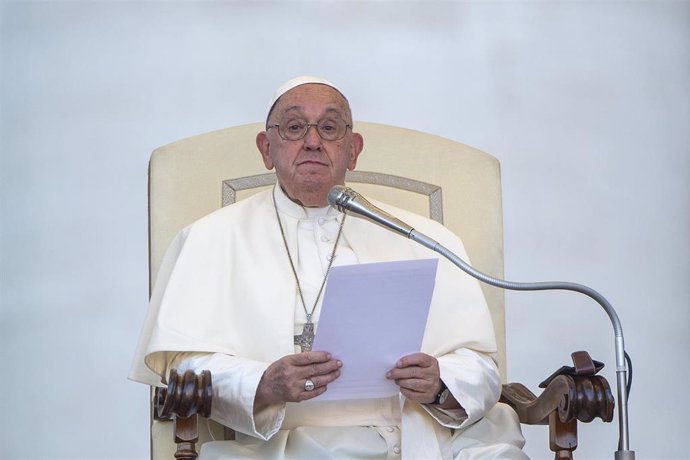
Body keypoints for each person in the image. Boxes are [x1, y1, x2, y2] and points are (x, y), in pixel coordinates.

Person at [130, 76, 527, 459]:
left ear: (353, 150)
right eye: (295, 127)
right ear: (266, 149)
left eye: (330, 127)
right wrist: (263, 384)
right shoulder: (209, 239)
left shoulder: (424, 237)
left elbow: (480, 366)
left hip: (422, 437)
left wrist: (441, 384)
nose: (313, 142)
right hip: (285, 445)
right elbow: (184, 372)